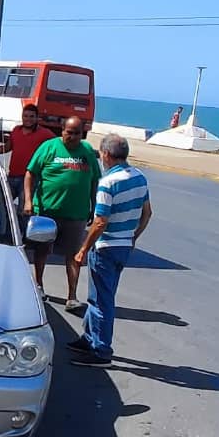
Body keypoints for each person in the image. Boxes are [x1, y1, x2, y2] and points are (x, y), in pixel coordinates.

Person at [68, 133, 153, 367]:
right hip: (124, 246)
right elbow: (147, 213)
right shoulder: (140, 177)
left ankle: (101, 350)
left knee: (100, 301)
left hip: (106, 247)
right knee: (103, 295)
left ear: (105, 154)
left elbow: (100, 222)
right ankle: (89, 338)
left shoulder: (108, 182)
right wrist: (132, 237)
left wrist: (82, 249)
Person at [23, 116, 100, 309]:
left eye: (77, 133)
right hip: (47, 212)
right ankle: (38, 285)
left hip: (77, 214)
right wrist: (28, 201)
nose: (73, 137)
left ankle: (72, 296)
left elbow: (94, 181)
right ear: (62, 130)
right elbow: (30, 173)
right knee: (42, 251)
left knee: (74, 255)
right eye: (69, 132)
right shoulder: (48, 147)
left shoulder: (88, 152)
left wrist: (94, 205)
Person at [0, 104, 55, 203]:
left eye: (31, 116)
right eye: (25, 116)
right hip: (12, 176)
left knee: (23, 211)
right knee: (1, 205)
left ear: (37, 118)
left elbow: (57, 145)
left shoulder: (44, 133)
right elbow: (7, 147)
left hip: (29, 179)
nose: (28, 119)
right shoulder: (16, 130)